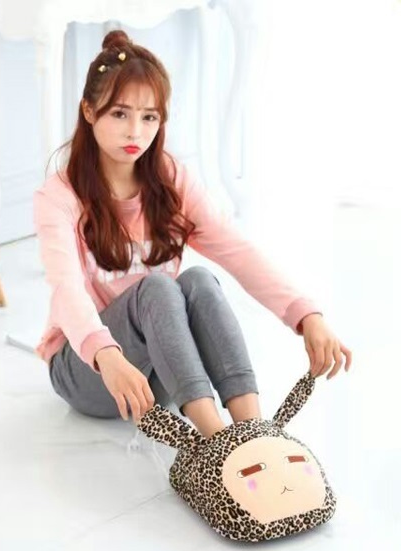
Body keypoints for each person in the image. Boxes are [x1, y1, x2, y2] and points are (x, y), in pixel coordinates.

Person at [33, 30, 352, 438]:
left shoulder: (170, 181)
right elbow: (66, 290)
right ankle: (217, 443)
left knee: (198, 280)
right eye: (120, 114)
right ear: (90, 111)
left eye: (149, 117)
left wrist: (307, 316)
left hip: (158, 374)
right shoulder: (59, 196)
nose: (135, 132)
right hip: (90, 370)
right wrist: (106, 354)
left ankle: (253, 433)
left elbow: (236, 250)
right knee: (157, 288)